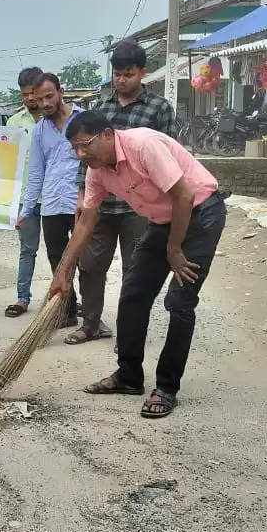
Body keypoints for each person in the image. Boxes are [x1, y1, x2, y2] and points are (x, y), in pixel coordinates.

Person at [51, 111, 225, 420]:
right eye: (74, 148)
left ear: (107, 134)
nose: (81, 154)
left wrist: (174, 249)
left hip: (200, 215)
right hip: (163, 221)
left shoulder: (143, 145)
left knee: (179, 301)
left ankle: (167, 388)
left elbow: (183, 195)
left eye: (85, 145)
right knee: (133, 294)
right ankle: (129, 376)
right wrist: (62, 272)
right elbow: (85, 224)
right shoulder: (97, 171)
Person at [67, 40, 178, 346]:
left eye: (128, 74)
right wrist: (81, 194)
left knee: (135, 270)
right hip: (102, 204)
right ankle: (91, 324)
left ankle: (128, 332)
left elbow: (168, 156)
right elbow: (85, 155)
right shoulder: (100, 109)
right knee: (89, 266)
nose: (121, 80)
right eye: (117, 73)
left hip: (138, 208)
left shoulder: (159, 109)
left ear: (142, 72)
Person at [19, 72, 82, 328]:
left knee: (87, 261)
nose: (44, 103)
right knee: (58, 260)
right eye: (39, 98)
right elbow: (36, 172)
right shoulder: (39, 131)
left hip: (81, 203)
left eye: (49, 96)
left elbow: (94, 162)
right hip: (52, 205)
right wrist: (26, 209)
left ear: (60, 92)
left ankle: (92, 317)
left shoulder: (82, 119)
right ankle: (67, 312)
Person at [3, 67, 44, 319]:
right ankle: (22, 297)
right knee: (27, 250)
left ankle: (66, 299)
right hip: (25, 200)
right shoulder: (14, 123)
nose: (29, 98)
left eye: (33, 93)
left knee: (61, 251)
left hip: (53, 199)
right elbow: (6, 166)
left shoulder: (54, 120)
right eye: (24, 93)